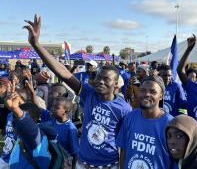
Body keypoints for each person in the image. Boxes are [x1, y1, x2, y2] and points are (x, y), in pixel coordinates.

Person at [23, 14, 132, 168]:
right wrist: (36, 44)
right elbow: (63, 72)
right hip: (83, 163)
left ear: (116, 84)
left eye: (106, 79)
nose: (100, 81)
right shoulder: (89, 94)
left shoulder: (124, 109)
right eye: (99, 77)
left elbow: (124, 145)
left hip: (109, 164)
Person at [116, 76, 174, 169]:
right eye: (142, 90)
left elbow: (174, 161)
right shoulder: (130, 117)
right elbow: (123, 151)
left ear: (161, 96)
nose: (147, 94)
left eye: (153, 92)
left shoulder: (171, 124)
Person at [49, 97, 79, 168]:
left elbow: (75, 153)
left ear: (66, 111)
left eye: (56, 107)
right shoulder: (53, 121)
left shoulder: (71, 129)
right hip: (52, 160)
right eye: (53, 106)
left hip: (63, 163)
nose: (52, 109)